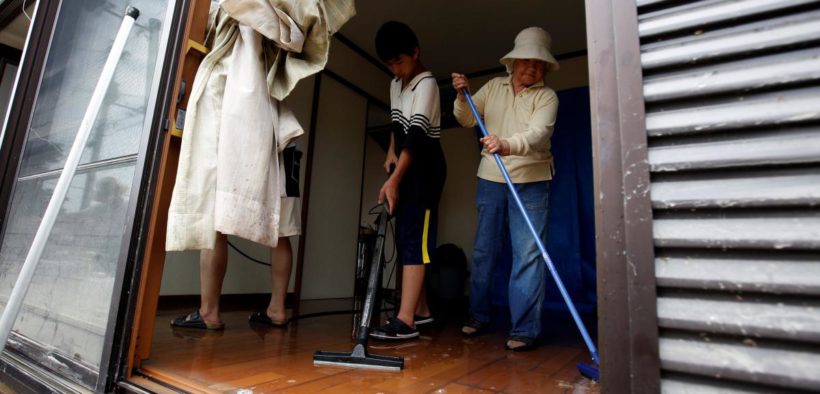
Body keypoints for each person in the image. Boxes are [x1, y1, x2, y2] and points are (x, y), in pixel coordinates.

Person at [451, 27, 560, 351]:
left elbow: (539, 134)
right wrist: (461, 96)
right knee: (485, 251)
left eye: (540, 64)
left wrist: (507, 144)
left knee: (527, 255)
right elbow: (467, 119)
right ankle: (478, 315)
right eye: (528, 61)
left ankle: (525, 329)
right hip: (492, 179)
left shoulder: (547, 96)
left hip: (533, 180)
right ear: (513, 62)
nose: (533, 68)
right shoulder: (492, 88)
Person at [369, 21, 446, 341]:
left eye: (400, 62)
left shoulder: (427, 84)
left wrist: (395, 180)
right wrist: (390, 153)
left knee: (416, 240)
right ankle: (423, 312)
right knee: (405, 238)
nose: (396, 70)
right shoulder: (394, 84)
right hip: (404, 164)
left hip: (425, 169)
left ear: (416, 53)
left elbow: (414, 136)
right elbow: (396, 125)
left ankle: (406, 320)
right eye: (390, 65)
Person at [171, 145, 303, 330]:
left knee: (216, 223)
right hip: (282, 141)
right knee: (280, 230)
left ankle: (209, 311)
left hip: (237, 140)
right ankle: (277, 309)